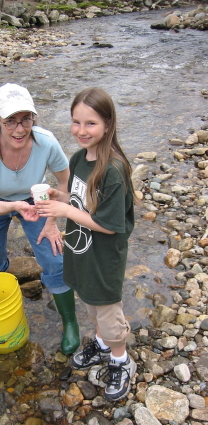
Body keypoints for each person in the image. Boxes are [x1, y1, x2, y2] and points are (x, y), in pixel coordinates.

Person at [35, 87, 137, 401]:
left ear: (108, 125)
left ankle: (121, 360)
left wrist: (65, 211)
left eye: (90, 123)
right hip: (83, 252)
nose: (81, 130)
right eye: (76, 122)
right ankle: (103, 345)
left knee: (107, 311)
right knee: (90, 302)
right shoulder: (80, 158)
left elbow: (108, 225)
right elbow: (81, 201)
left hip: (103, 257)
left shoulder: (113, 171)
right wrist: (60, 197)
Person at [0, 83, 80, 355]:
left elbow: (67, 186)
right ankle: (7, 308)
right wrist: (15, 206)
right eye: (10, 122)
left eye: (26, 119)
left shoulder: (46, 142)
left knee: (54, 257)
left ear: (33, 118)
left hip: (36, 199)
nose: (20, 129)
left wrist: (52, 220)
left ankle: (71, 324)